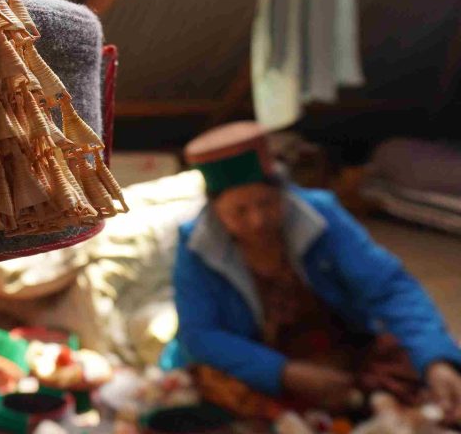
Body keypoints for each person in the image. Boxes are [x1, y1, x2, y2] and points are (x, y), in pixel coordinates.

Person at [172, 121, 461, 422]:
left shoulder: (320, 216)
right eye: (239, 211)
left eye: (266, 203)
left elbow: (388, 287)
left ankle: (367, 399)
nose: (257, 220)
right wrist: (284, 372)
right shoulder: (196, 246)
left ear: (282, 193)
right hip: (259, 358)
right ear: (216, 212)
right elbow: (199, 333)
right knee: (208, 381)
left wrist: (435, 361)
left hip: (339, 348)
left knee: (422, 353)